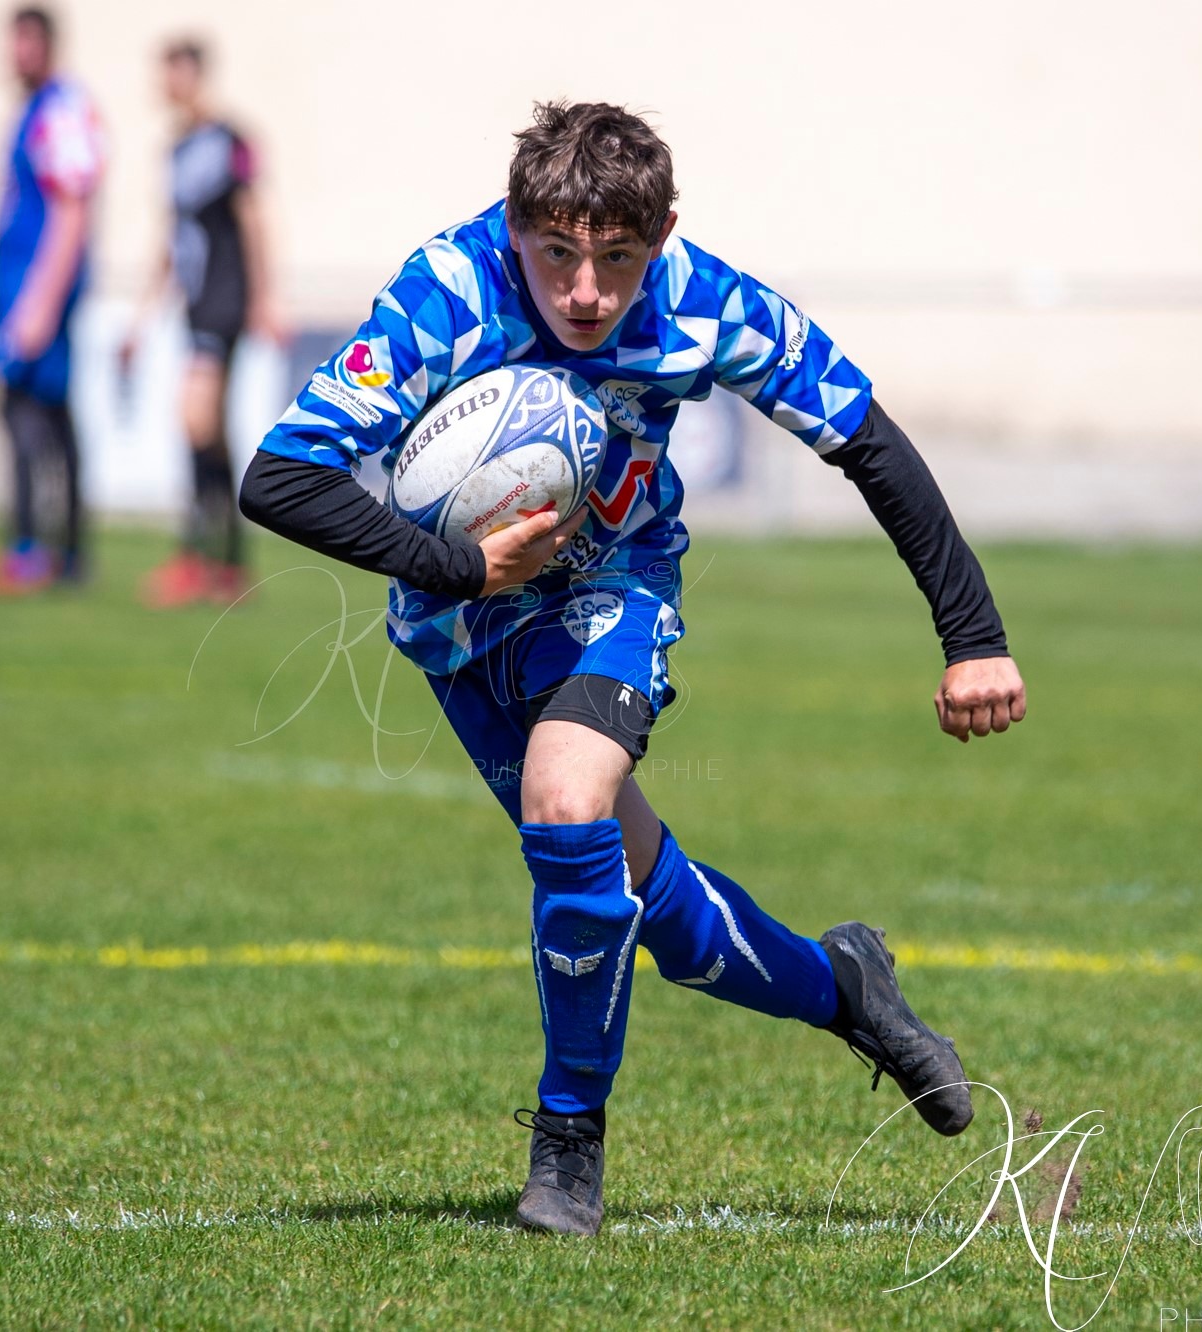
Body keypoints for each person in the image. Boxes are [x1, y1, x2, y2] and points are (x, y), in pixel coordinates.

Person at [240, 102, 1028, 1237]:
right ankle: (847, 988)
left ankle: (567, 1146)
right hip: (459, 619)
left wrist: (973, 637)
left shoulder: (703, 300)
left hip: (614, 589)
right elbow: (280, 477)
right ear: (515, 226)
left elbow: (865, 438)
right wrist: (457, 567)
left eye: (617, 258)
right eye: (557, 253)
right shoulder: (448, 292)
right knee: (664, 919)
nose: (585, 291)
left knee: (567, 802)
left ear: (661, 235)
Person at [125, 37, 282, 608]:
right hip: (194, 304)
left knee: (194, 418)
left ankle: (196, 556)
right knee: (207, 428)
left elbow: (253, 218)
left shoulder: (229, 140)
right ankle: (230, 563)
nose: (168, 83)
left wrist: (263, 298)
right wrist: (144, 314)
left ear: (196, 75)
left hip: (225, 299)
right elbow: (172, 237)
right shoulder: (174, 149)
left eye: (176, 71)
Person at [0, 4, 105, 596]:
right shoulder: (33, 110)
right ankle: (56, 550)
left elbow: (71, 211)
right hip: (18, 295)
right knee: (37, 416)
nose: (16, 53)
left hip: (39, 301)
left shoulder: (61, 109)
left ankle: (42, 549)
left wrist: (39, 306)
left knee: (34, 418)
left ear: (49, 45)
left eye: (26, 41)